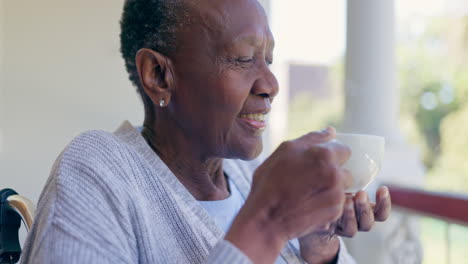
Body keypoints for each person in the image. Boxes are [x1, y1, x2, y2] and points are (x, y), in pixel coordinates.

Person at [21, 0, 391, 263]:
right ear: (159, 76)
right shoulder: (98, 170)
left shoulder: (248, 176)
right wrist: (266, 225)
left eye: (269, 60)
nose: (271, 83)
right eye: (243, 59)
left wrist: (317, 250)